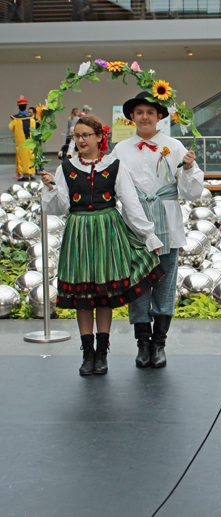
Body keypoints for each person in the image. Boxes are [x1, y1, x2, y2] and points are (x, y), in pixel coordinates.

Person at [39, 116, 164, 376]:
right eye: (76, 136)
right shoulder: (67, 167)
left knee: (103, 296)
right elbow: (59, 207)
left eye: (86, 135)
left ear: (99, 137)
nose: (81, 140)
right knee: (82, 296)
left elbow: (130, 204)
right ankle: (88, 354)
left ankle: (102, 352)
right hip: (79, 234)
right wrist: (51, 188)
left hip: (108, 233)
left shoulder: (114, 166)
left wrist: (148, 235)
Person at [111, 92, 204, 369]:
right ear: (131, 118)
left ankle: (159, 343)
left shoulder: (175, 146)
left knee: (164, 284)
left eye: (150, 112)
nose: (144, 117)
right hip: (134, 226)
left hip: (167, 222)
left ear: (160, 117)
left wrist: (187, 168)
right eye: (138, 112)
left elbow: (192, 191)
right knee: (138, 284)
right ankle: (142, 343)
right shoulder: (120, 150)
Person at [9, 95, 36, 180]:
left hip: (21, 141)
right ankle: (32, 174)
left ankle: (25, 175)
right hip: (30, 140)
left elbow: (11, 128)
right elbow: (34, 128)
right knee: (31, 155)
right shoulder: (31, 118)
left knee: (22, 157)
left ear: (19, 107)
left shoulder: (15, 119)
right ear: (26, 107)